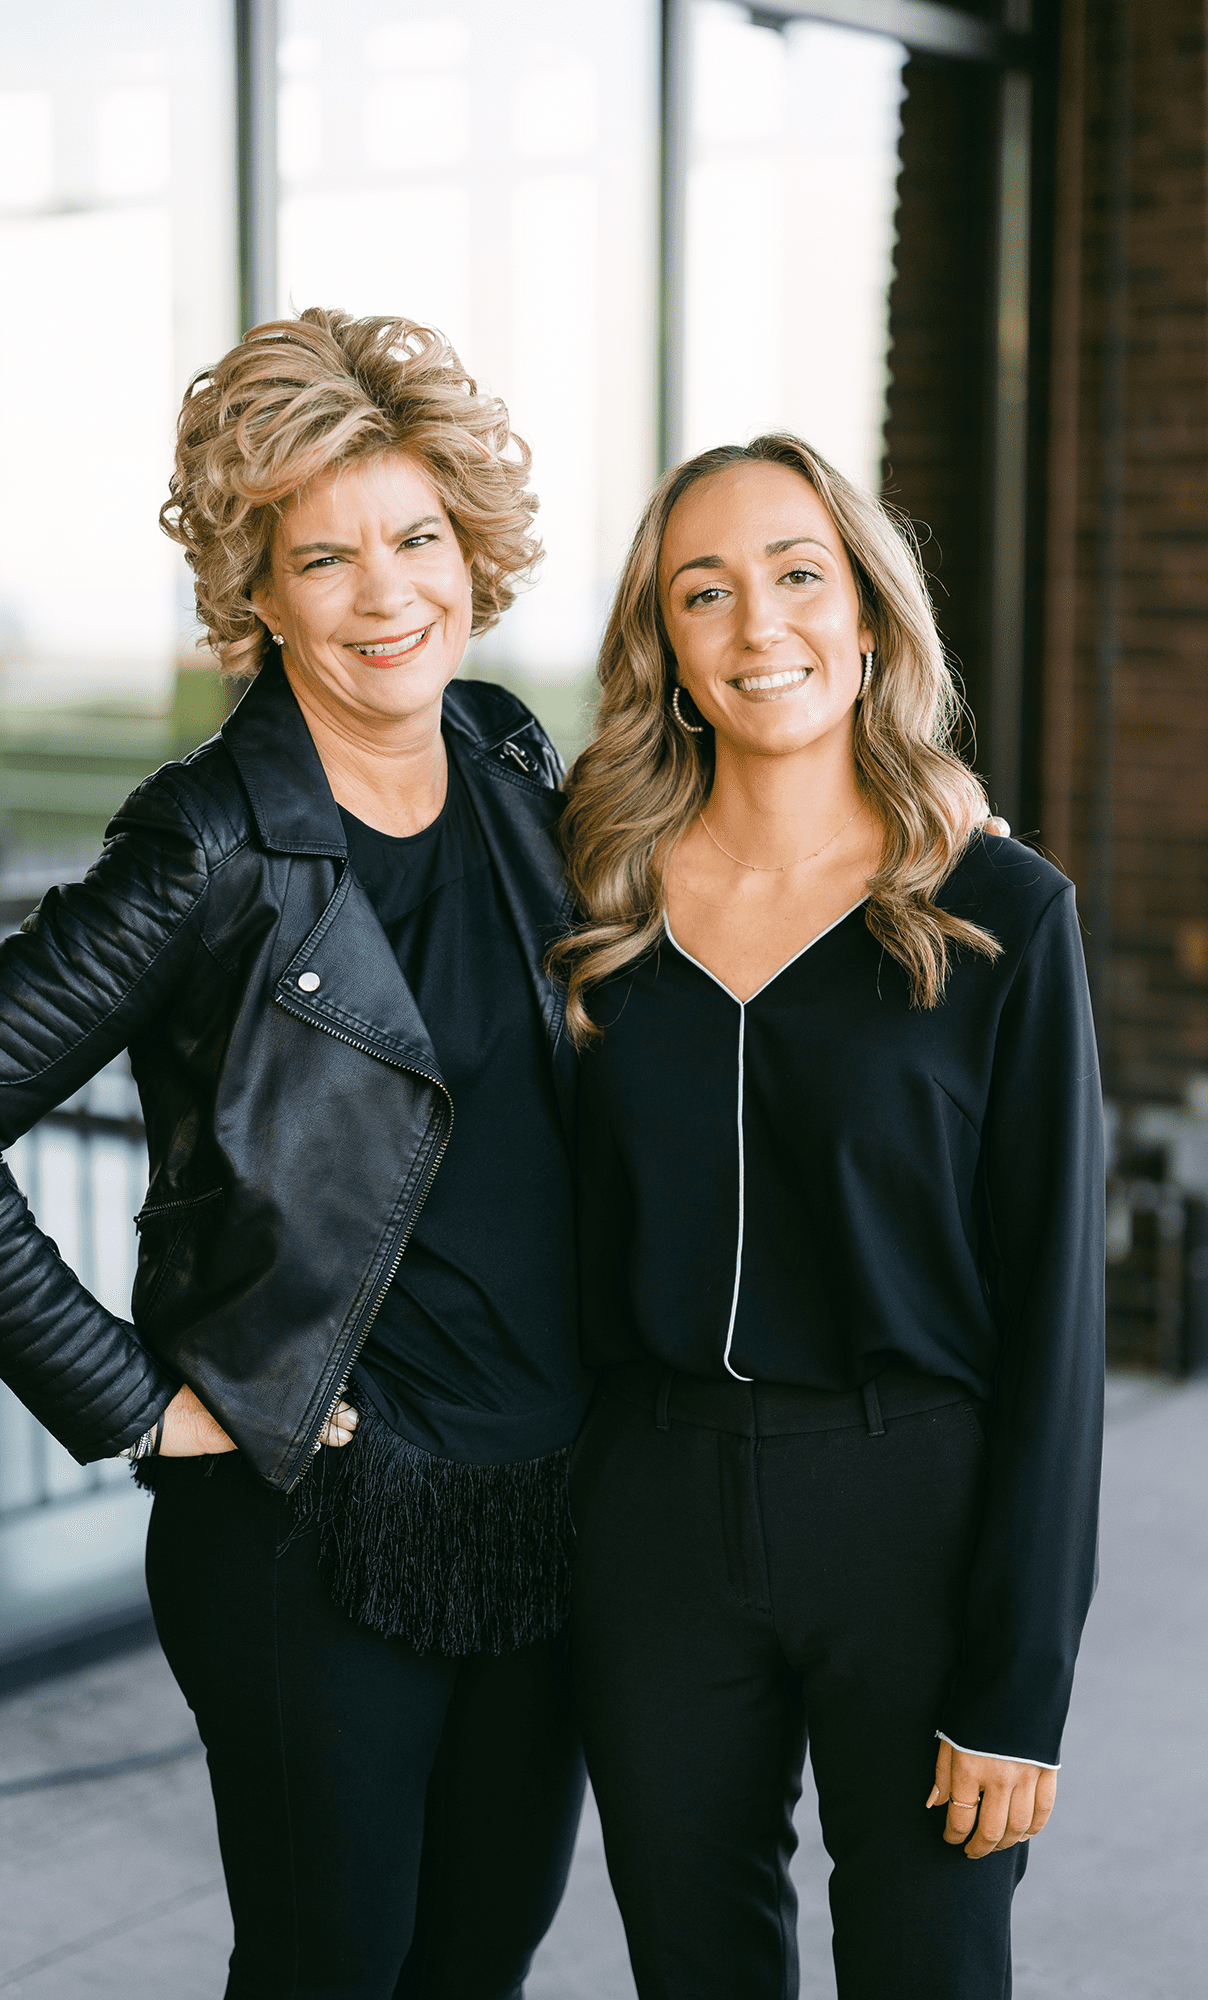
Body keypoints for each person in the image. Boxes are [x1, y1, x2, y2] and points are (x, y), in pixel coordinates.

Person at [0, 310, 589, 2000]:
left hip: (548, 1493)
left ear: (471, 547)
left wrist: (932, 843)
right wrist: (136, 1401)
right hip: (308, 1518)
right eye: (321, 558)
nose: (384, 592)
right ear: (255, 594)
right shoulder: (206, 842)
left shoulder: (504, 758)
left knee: (481, 1953)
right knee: (333, 1962)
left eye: (415, 537)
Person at [551, 434, 1105, 2000]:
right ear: (663, 648)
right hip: (650, 1517)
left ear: (867, 617)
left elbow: (1057, 1315)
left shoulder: (1000, 913)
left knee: (932, 1966)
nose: (757, 626)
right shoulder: (595, 899)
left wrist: (1018, 1680)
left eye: (798, 576)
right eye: (703, 592)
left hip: (908, 1514)